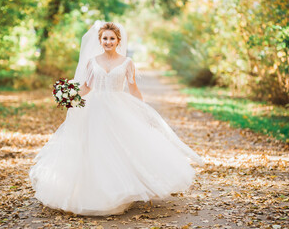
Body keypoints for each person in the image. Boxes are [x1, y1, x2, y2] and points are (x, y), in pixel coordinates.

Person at [29, 21, 204, 216]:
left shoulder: (127, 62)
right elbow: (87, 87)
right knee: (94, 148)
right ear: (100, 40)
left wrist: (142, 110)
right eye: (105, 38)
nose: (108, 41)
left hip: (118, 107)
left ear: (118, 41)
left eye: (112, 38)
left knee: (119, 148)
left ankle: (118, 192)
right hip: (95, 108)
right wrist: (70, 95)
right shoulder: (92, 61)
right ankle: (93, 194)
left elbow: (133, 88)